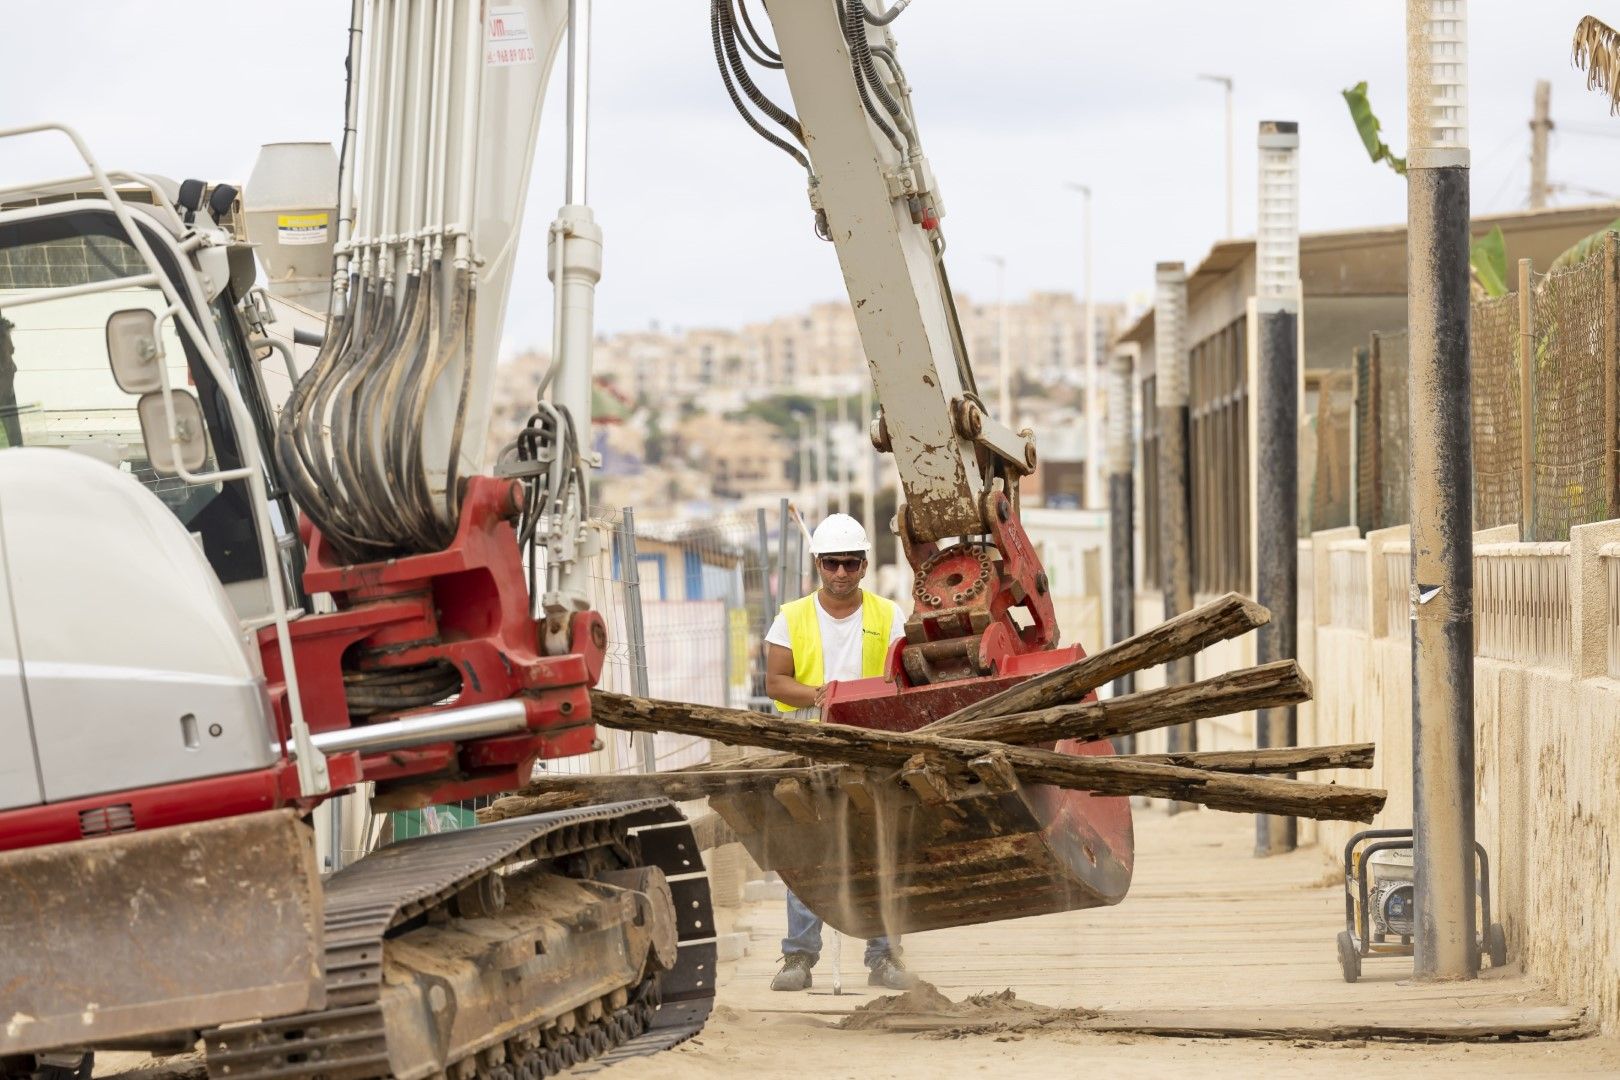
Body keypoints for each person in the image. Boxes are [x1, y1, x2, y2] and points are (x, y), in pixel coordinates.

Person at [762, 512, 918, 992]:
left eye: (851, 563)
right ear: (818, 564)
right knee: (809, 848)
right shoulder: (791, 617)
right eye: (832, 563)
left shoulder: (888, 615)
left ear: (866, 565)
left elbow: (906, 674)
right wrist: (820, 697)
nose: (841, 573)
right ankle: (798, 958)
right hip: (809, 739)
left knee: (878, 847)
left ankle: (884, 955)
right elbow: (775, 682)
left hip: (873, 742)